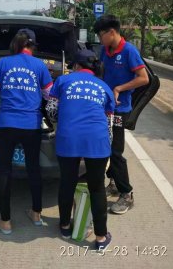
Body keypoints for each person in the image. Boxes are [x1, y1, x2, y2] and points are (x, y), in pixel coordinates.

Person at [0, 28, 53, 234]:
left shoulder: (4, 63)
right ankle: (37, 214)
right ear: (32, 46)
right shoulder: (40, 65)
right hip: (31, 125)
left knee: (4, 170)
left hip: (6, 124)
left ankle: (5, 221)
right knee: (33, 169)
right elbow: (49, 94)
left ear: (17, 43)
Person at [46, 49, 115, 251]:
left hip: (69, 138)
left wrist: (64, 120)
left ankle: (65, 226)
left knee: (67, 183)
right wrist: (106, 149)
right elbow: (108, 122)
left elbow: (51, 111)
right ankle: (101, 238)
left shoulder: (63, 81)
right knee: (97, 188)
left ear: (75, 65)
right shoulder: (104, 87)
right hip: (97, 140)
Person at [93, 15, 149, 214]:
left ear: (111, 32)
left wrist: (119, 88)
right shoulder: (104, 50)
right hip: (104, 108)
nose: (100, 39)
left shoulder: (129, 51)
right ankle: (114, 183)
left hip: (119, 109)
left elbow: (144, 78)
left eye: (101, 34)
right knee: (105, 147)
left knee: (115, 152)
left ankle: (127, 194)